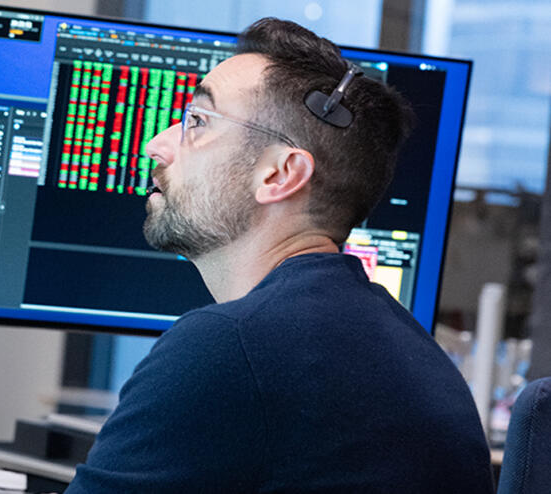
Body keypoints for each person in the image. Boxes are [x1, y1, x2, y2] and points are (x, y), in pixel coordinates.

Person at [64, 18, 494, 494]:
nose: (156, 146)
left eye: (197, 122)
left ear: (279, 175)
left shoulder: (229, 347)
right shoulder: (418, 354)